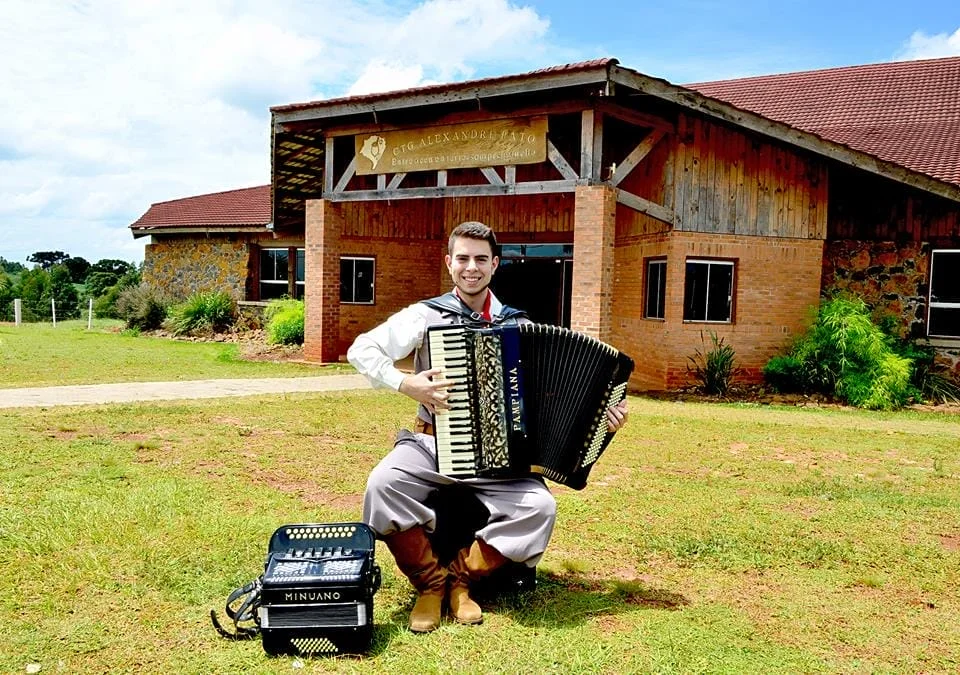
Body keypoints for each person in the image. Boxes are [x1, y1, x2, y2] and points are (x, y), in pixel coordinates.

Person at [347, 221, 628, 633]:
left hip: (501, 459)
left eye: (481, 259)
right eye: (462, 258)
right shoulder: (426, 315)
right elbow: (362, 349)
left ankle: (462, 581)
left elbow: (553, 398)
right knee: (382, 485)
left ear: (495, 265)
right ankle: (430, 584)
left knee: (540, 507)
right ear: (449, 263)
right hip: (432, 443)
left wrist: (601, 418)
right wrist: (408, 383)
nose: (471, 267)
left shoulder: (520, 326)